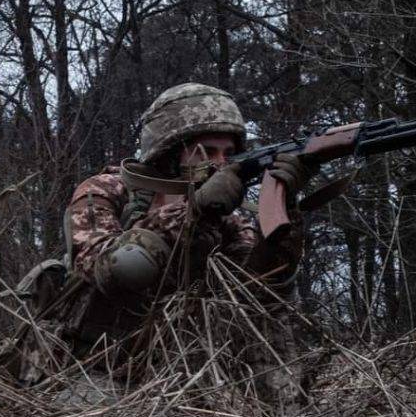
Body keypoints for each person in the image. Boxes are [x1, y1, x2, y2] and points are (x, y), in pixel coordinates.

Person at [52, 83, 312, 385]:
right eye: (208, 151)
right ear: (170, 153)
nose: (221, 163)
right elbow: (107, 268)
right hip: (90, 367)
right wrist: (192, 213)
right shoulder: (108, 190)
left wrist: (283, 215)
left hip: (181, 375)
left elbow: (257, 293)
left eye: (229, 153)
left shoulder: (225, 221)